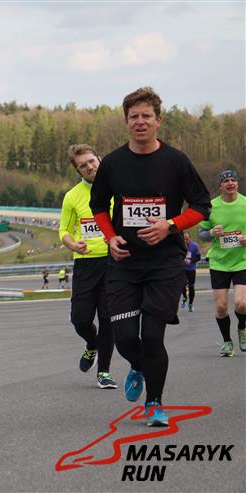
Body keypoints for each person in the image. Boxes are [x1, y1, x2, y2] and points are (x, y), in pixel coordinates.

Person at [90, 87, 211, 426]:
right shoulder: (113, 163)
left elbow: (202, 205)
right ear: (126, 122)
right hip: (125, 264)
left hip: (165, 264)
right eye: (134, 117)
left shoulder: (176, 161)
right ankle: (138, 366)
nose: (140, 121)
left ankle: (154, 404)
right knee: (127, 338)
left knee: (153, 336)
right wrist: (110, 238)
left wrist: (170, 225)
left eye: (146, 116)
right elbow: (98, 206)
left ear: (158, 120)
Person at [59, 143, 116, 389]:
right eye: (83, 165)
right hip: (85, 264)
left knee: (107, 318)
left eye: (92, 161)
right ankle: (92, 344)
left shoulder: (118, 188)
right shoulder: (72, 196)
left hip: (113, 262)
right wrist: (73, 244)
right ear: (78, 170)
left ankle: (104, 371)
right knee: (80, 320)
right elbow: (63, 230)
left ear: (100, 159)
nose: (90, 167)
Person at [197, 170, 246, 357]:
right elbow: (202, 233)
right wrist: (211, 233)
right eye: (226, 181)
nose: (230, 183)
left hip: (242, 261)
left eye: (233, 180)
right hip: (219, 262)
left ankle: (242, 327)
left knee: (242, 303)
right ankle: (227, 341)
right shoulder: (211, 207)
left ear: (238, 184)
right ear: (220, 186)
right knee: (221, 306)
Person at [180, 231, 201, 313]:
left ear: (190, 238)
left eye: (187, 239)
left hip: (191, 269)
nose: (185, 241)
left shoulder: (194, 245)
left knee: (191, 287)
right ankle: (185, 297)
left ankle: (190, 304)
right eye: (184, 239)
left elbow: (198, 257)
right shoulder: (180, 245)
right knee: (182, 285)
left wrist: (191, 261)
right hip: (182, 269)